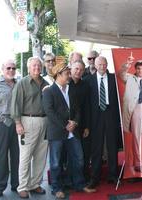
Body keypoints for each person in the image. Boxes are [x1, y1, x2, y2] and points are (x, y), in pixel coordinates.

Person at [42, 63, 96, 199]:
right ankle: (57, 188)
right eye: (67, 73)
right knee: (55, 162)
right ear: (59, 75)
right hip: (57, 132)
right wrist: (65, 125)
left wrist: (75, 122)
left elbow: (77, 109)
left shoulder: (70, 89)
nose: (69, 75)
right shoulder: (48, 91)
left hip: (73, 132)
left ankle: (79, 184)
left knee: (79, 159)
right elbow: (49, 111)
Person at [11, 56, 49, 198]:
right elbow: (15, 104)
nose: (37, 68)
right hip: (27, 121)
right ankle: (23, 186)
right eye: (34, 65)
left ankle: (35, 184)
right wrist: (18, 123)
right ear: (28, 67)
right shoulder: (22, 83)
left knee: (40, 155)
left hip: (44, 121)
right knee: (26, 156)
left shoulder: (45, 83)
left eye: (39, 65)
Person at [85, 56, 121, 189]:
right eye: (99, 64)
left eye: (104, 64)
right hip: (96, 116)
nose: (102, 67)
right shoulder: (88, 80)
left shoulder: (113, 79)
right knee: (96, 148)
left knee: (112, 146)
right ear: (95, 65)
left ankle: (113, 175)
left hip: (110, 114)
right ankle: (95, 177)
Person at [0, 60, 19, 197]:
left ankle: (16, 184)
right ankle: (0, 186)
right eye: (8, 68)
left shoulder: (19, 84)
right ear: (2, 69)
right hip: (2, 124)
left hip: (18, 123)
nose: (11, 70)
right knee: (1, 156)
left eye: (14, 68)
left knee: (17, 155)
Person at [118, 57, 142, 173]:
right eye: (138, 68)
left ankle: (140, 161)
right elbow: (121, 73)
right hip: (135, 109)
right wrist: (127, 64)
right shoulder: (130, 78)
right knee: (137, 137)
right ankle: (138, 163)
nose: (140, 71)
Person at [70, 60, 91, 181]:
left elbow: (88, 107)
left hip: (82, 124)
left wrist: (87, 126)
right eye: (76, 69)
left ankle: (83, 177)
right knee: (69, 154)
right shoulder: (65, 84)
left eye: (81, 70)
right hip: (67, 124)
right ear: (71, 69)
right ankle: (70, 179)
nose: (78, 71)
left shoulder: (85, 85)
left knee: (83, 153)